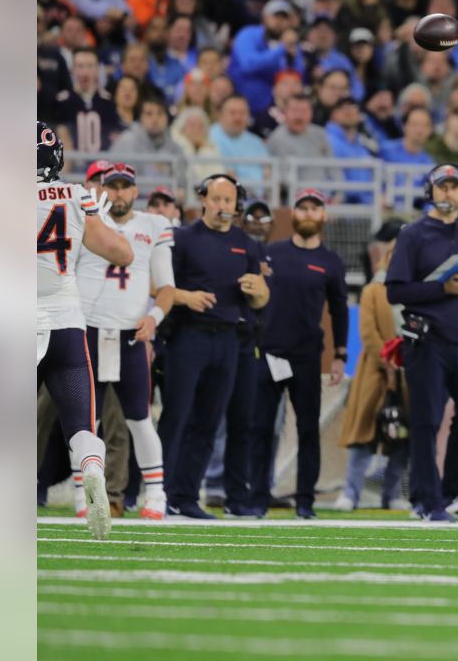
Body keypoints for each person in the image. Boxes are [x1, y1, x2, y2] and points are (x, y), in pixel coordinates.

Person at [385, 164, 458, 522]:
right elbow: (395, 290)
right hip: (429, 341)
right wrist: (443, 288)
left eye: (457, 186)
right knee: (426, 422)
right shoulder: (414, 234)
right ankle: (426, 500)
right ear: (432, 192)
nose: (451, 192)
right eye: (444, 187)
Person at [36, 121, 133, 540]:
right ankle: (92, 470)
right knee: (81, 423)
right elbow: (120, 252)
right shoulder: (77, 194)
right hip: (66, 322)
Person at [159, 174, 268, 518]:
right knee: (175, 418)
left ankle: (185, 496)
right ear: (203, 199)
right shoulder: (183, 238)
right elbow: (158, 287)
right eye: (217, 199)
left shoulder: (246, 244)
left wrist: (259, 291)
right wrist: (185, 297)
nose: (223, 206)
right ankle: (154, 492)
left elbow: (261, 299)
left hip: (228, 337)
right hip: (189, 335)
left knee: (208, 421)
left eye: (229, 200)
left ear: (237, 205)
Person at [73, 162, 175, 520]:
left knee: (139, 417)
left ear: (135, 191)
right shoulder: (84, 216)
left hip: (132, 334)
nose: (118, 192)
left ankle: (157, 496)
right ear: (101, 188)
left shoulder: (154, 225)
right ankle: (82, 496)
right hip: (86, 329)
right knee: (85, 421)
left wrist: (154, 317)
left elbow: (166, 288)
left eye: (124, 186)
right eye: (111, 185)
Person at [249, 189, 349, 519]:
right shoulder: (270, 253)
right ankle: (257, 498)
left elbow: (339, 310)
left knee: (308, 430)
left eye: (314, 208)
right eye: (302, 208)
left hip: (307, 355)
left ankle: (305, 501)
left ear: (324, 216)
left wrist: (340, 355)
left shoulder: (331, 262)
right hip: (270, 353)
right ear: (293, 214)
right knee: (261, 429)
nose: (307, 213)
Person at [338, 220, 408, 511]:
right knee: (363, 435)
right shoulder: (372, 291)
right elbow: (368, 333)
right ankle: (350, 493)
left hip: (407, 374)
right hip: (374, 372)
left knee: (403, 436)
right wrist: (389, 363)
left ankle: (392, 494)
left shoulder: (414, 291)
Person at [55, 47, 121, 153]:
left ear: (98, 69)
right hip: (71, 165)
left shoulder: (108, 101)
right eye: (80, 66)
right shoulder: (61, 101)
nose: (85, 72)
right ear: (72, 69)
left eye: (90, 66)